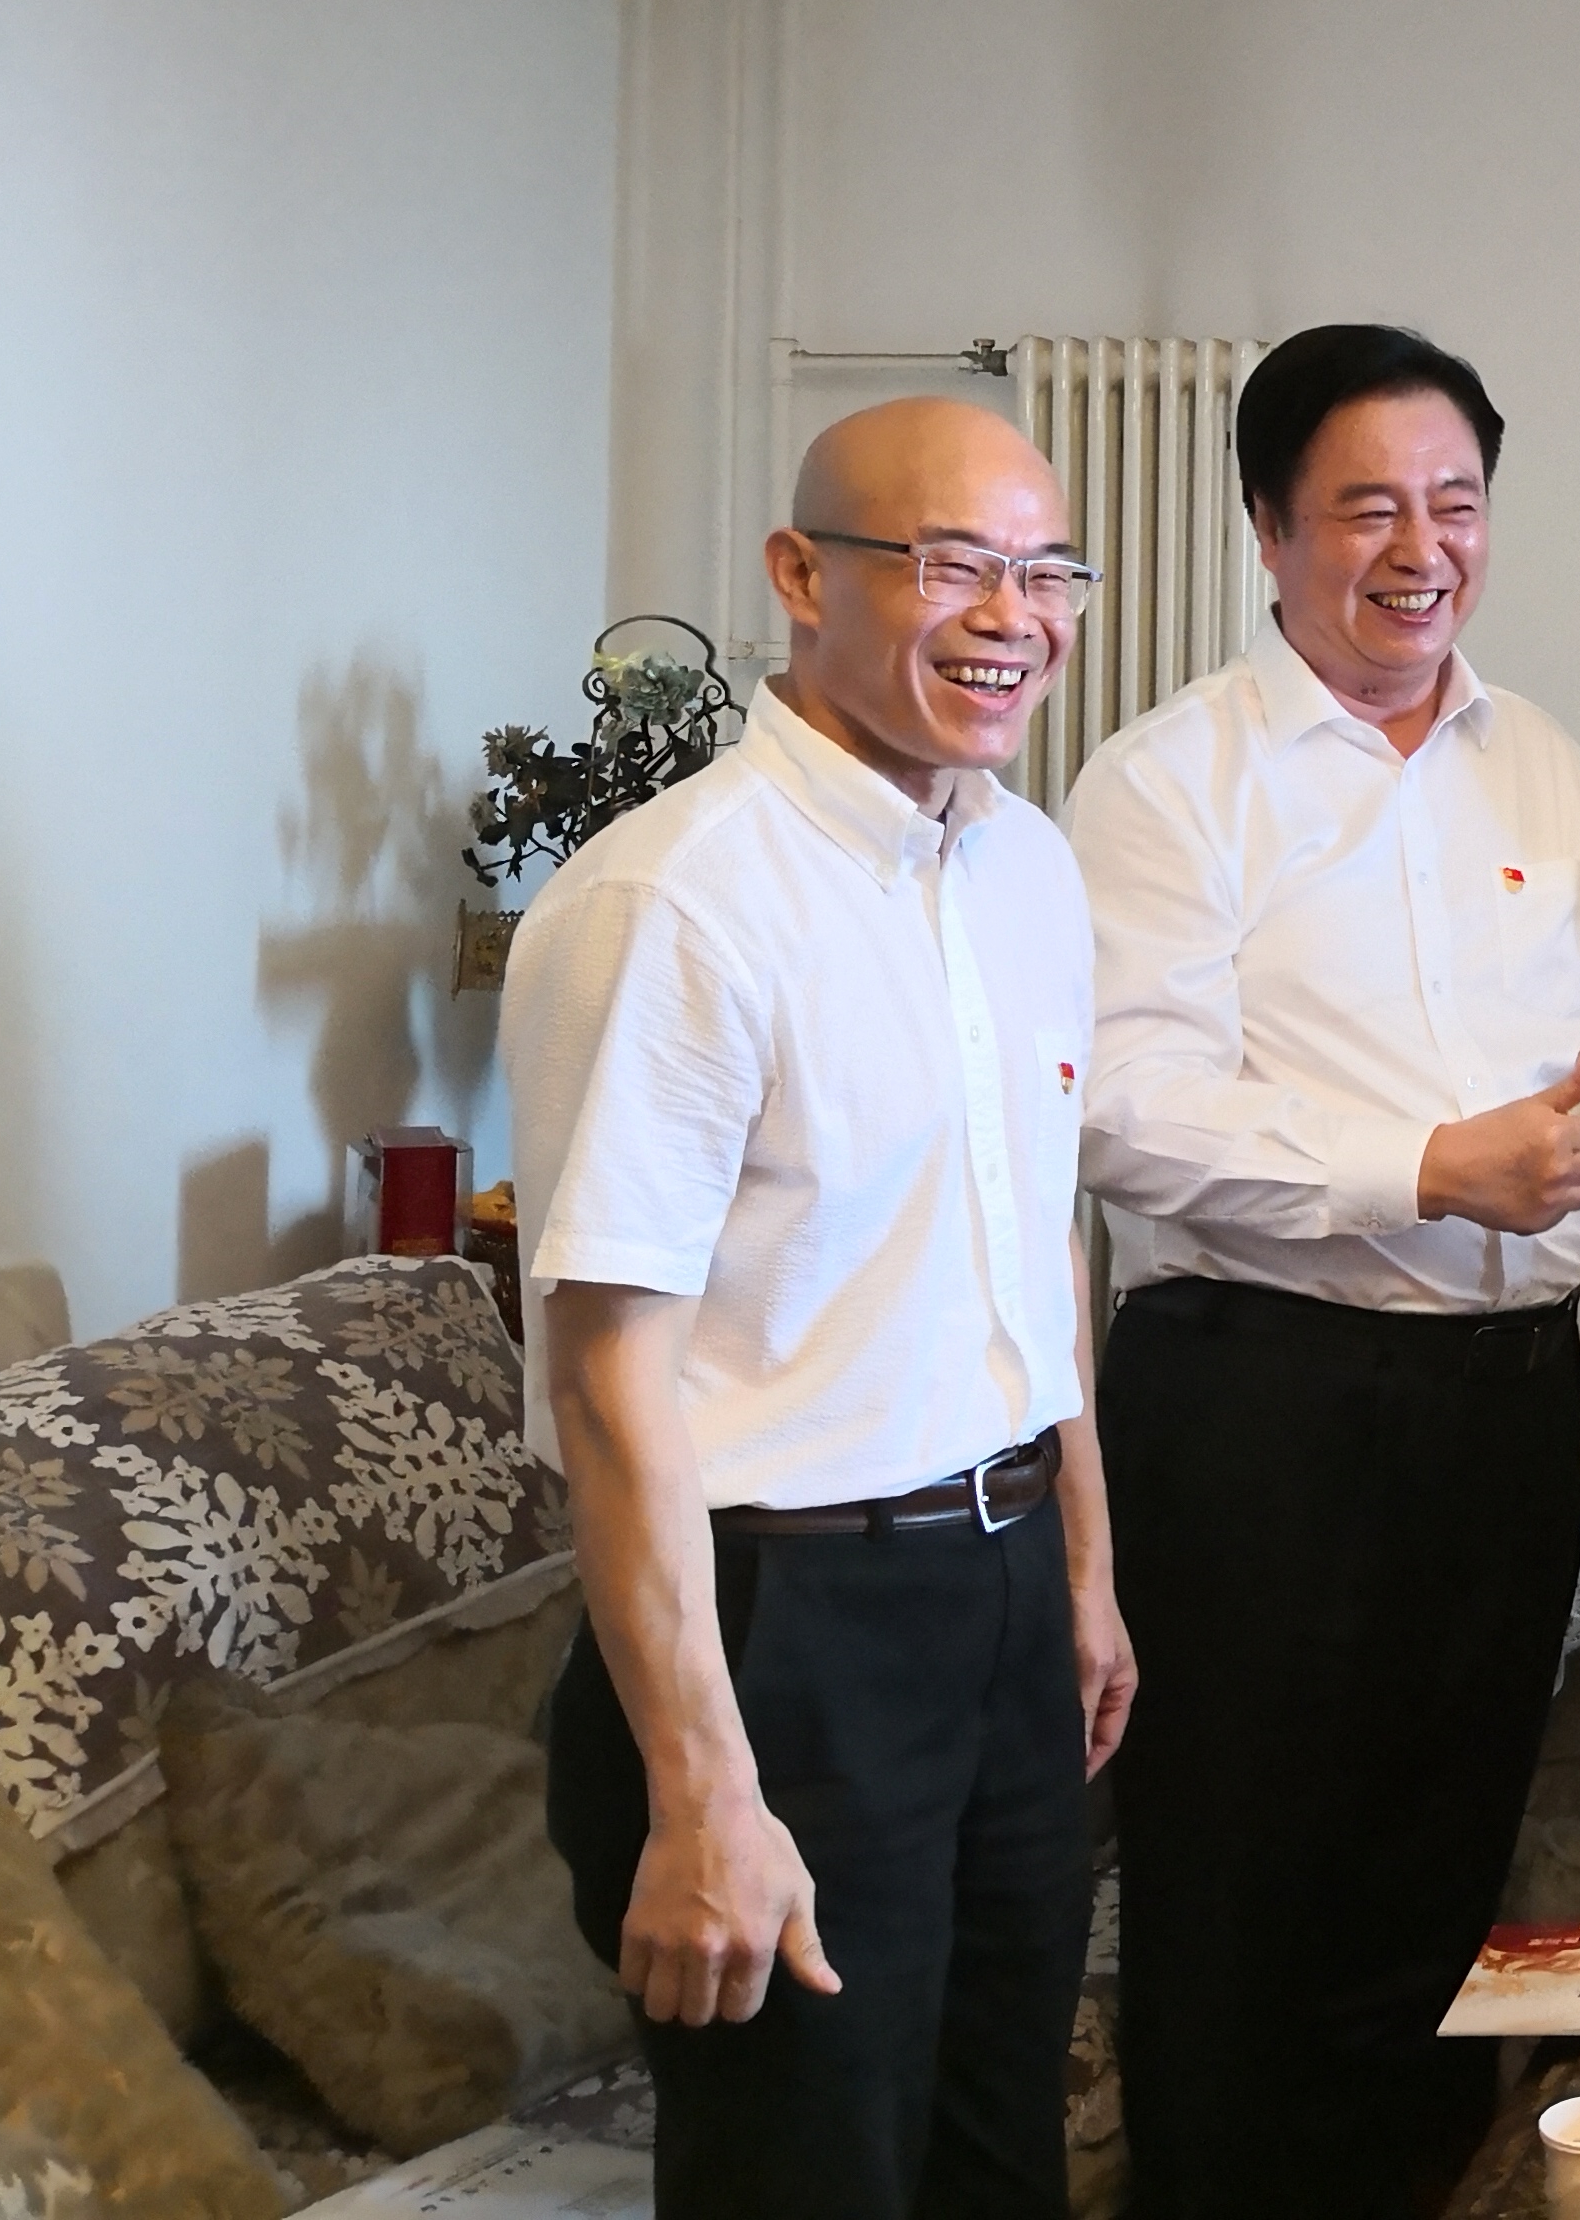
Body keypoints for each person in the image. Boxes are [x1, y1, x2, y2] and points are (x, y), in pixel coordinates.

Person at [508, 397, 1129, 2220]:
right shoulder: (673, 902)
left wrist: (1082, 1569)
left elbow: (1037, 1243)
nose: (1010, 615)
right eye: (951, 563)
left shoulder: (1027, 867)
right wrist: (703, 1789)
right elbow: (606, 1383)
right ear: (800, 574)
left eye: (1047, 572)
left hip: (1002, 1592)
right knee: (808, 2173)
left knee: (998, 2157)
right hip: (784, 1621)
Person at [1065, 325, 1580, 2220]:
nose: (1422, 548)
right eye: (1368, 507)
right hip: (1259, 1401)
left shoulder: (1534, 760)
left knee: (1440, 1884)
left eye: (1454, 504)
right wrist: (1427, 1170)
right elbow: (1122, 1108)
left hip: (1500, 1405)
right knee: (1242, 1893)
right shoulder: (1168, 782)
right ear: (1267, 527)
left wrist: (1557, 1223)